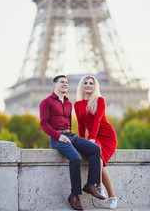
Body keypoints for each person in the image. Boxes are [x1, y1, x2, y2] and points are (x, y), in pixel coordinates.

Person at [39, 75, 105, 211]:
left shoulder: (69, 104)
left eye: (67, 82)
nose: (65, 84)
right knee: (75, 157)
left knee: (95, 149)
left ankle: (91, 184)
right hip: (57, 138)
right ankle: (74, 195)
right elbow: (44, 123)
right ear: (54, 84)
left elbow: (69, 124)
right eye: (62, 82)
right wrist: (58, 136)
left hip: (70, 136)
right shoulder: (46, 102)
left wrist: (76, 139)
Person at [74, 75, 118, 209]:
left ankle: (104, 190)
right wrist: (81, 142)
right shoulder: (77, 104)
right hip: (93, 137)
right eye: (85, 83)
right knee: (99, 161)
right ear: (81, 85)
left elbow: (98, 120)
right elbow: (81, 126)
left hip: (106, 135)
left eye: (91, 83)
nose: (88, 85)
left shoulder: (99, 100)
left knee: (98, 157)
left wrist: (91, 138)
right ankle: (106, 192)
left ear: (95, 86)